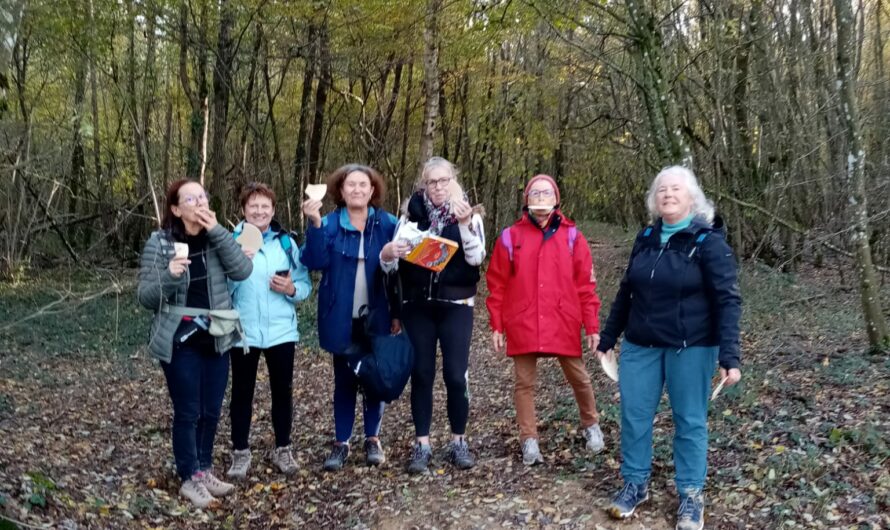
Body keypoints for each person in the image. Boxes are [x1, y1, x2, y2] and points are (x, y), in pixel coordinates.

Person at [596, 166, 742, 530]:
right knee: (634, 416)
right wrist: (608, 337)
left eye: (676, 189)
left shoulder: (709, 242)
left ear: (692, 197)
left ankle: (691, 495)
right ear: (654, 199)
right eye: (662, 189)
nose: (668, 194)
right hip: (641, 345)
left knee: (690, 420)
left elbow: (728, 300)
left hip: (690, 347)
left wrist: (730, 356)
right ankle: (634, 484)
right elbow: (627, 291)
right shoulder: (646, 237)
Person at [137, 179, 252, 508]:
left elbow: (243, 270)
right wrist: (170, 274)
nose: (199, 201)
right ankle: (189, 477)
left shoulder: (218, 237)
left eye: (202, 195)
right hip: (179, 337)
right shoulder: (160, 242)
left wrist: (217, 231)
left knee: (211, 410)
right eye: (191, 198)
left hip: (217, 334)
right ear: (176, 208)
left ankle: (203, 469)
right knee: (188, 411)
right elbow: (146, 297)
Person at [485, 174, 605, 466]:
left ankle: (592, 426)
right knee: (524, 383)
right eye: (535, 192)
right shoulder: (510, 236)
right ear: (526, 198)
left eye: (546, 192)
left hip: (562, 318)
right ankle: (529, 440)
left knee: (580, 378)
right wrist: (497, 325)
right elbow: (496, 284)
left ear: (556, 197)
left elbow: (585, 286)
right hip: (523, 319)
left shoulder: (572, 236)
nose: (540, 197)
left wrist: (591, 326)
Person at [380, 156, 485, 474]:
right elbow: (390, 266)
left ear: (453, 181)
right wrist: (387, 255)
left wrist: (465, 226)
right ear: (423, 185)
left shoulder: (468, 214)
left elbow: (477, 257)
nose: (438, 187)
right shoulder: (409, 217)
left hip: (457, 306)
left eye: (443, 181)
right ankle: (422, 445)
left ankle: (458, 441)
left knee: (455, 375)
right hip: (418, 306)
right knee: (422, 374)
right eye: (431, 182)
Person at [300, 164, 399, 471]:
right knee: (344, 381)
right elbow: (312, 261)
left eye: (363, 185)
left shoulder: (388, 224)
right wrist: (314, 224)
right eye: (350, 185)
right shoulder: (328, 224)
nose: (357, 190)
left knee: (373, 380)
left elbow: (401, 273)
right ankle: (341, 442)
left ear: (373, 191)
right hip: (340, 317)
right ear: (340, 191)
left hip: (377, 318)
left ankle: (372, 439)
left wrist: (399, 314)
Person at [226, 182, 312, 479]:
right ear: (243, 211)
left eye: (265, 206)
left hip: (281, 331)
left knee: (282, 392)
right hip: (243, 330)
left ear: (273, 210)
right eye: (254, 206)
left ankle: (283, 448)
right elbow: (220, 291)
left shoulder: (287, 243)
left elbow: (305, 286)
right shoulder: (230, 243)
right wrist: (238, 267)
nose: (260, 211)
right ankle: (240, 452)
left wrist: (290, 289)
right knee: (241, 392)